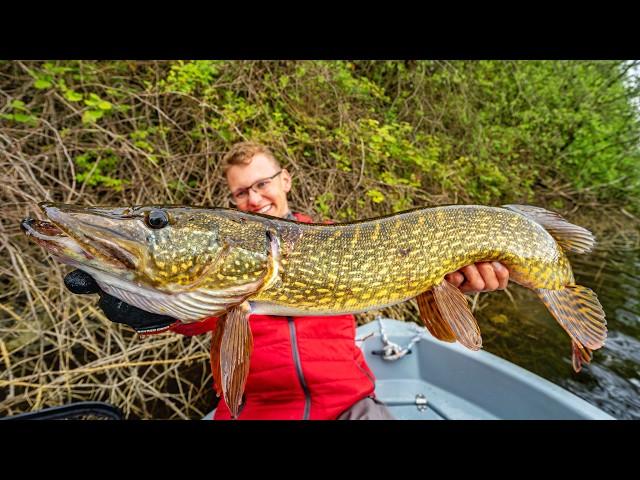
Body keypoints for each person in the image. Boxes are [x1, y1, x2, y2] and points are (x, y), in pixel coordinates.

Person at [65, 141, 510, 420]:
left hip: (348, 406)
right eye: (242, 192)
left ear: (286, 180)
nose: (255, 198)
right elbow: (196, 314)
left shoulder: (341, 235)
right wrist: (150, 307)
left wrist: (457, 281)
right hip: (254, 411)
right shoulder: (225, 254)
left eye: (262, 184)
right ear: (231, 199)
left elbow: (428, 275)